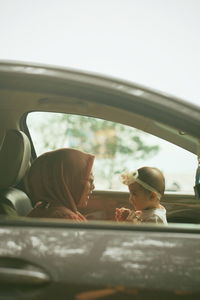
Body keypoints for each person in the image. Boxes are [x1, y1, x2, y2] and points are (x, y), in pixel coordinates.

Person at [25, 148, 95, 221]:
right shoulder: (65, 218)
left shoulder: (42, 209)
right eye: (89, 180)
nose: (93, 187)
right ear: (65, 182)